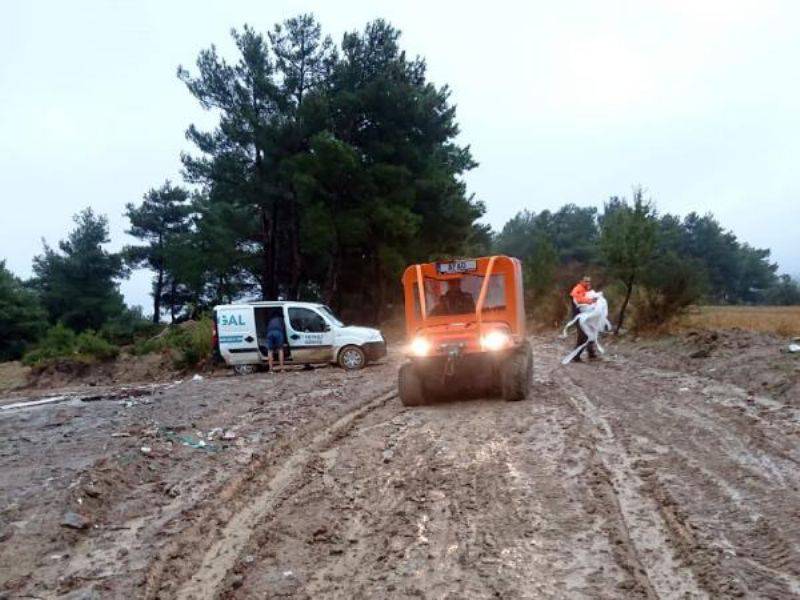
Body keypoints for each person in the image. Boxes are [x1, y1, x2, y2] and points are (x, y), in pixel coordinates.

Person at [570, 275, 597, 362]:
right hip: (578, 317)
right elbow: (577, 298)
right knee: (583, 336)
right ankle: (576, 356)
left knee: (590, 333)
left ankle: (591, 353)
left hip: (586, 316)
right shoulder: (577, 289)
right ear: (581, 281)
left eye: (589, 281)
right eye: (586, 281)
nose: (588, 283)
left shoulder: (586, 289)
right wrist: (590, 301)